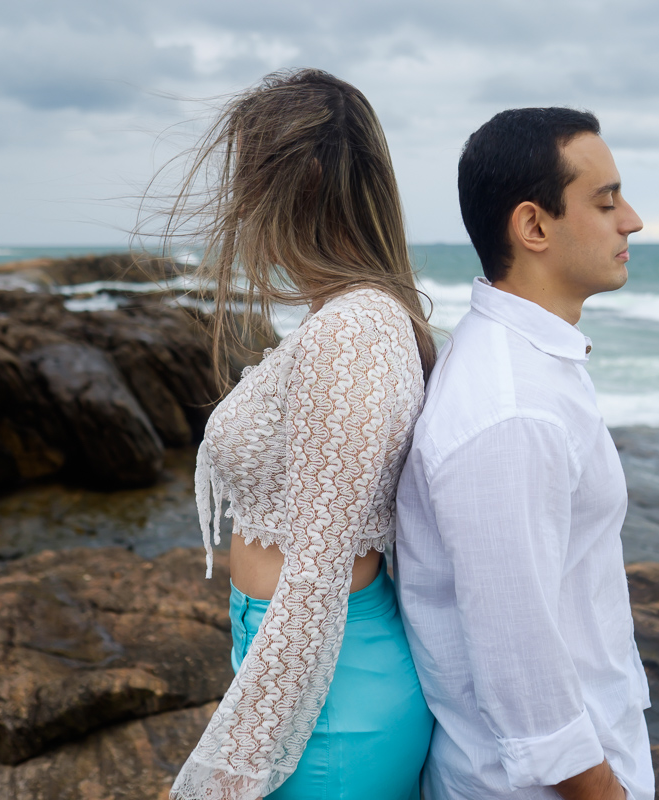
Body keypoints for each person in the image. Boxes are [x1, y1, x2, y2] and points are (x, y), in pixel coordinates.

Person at [166, 69, 436, 800]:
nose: (238, 205)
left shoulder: (351, 332)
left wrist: (223, 777)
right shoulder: (352, 318)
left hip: (331, 703)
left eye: (247, 180)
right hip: (306, 673)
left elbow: (315, 579)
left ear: (304, 180)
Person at [394, 107, 654, 800]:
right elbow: (519, 664)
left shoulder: (526, 366)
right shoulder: (511, 411)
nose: (632, 221)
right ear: (533, 226)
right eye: (606, 202)